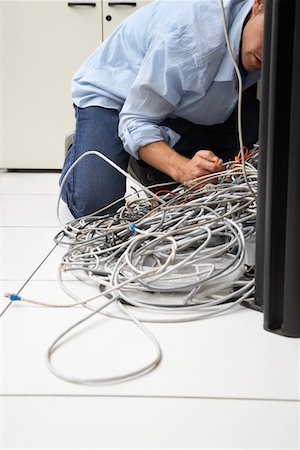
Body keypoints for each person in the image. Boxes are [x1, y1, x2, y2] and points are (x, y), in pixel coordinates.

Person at [60, 0, 264, 218]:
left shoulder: (257, 41)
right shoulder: (193, 36)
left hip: (174, 102)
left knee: (262, 125)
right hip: (115, 96)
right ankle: (83, 148)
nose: (271, 53)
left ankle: (146, 162)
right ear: (259, 5)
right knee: (96, 206)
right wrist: (183, 169)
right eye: (270, 36)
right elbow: (136, 119)